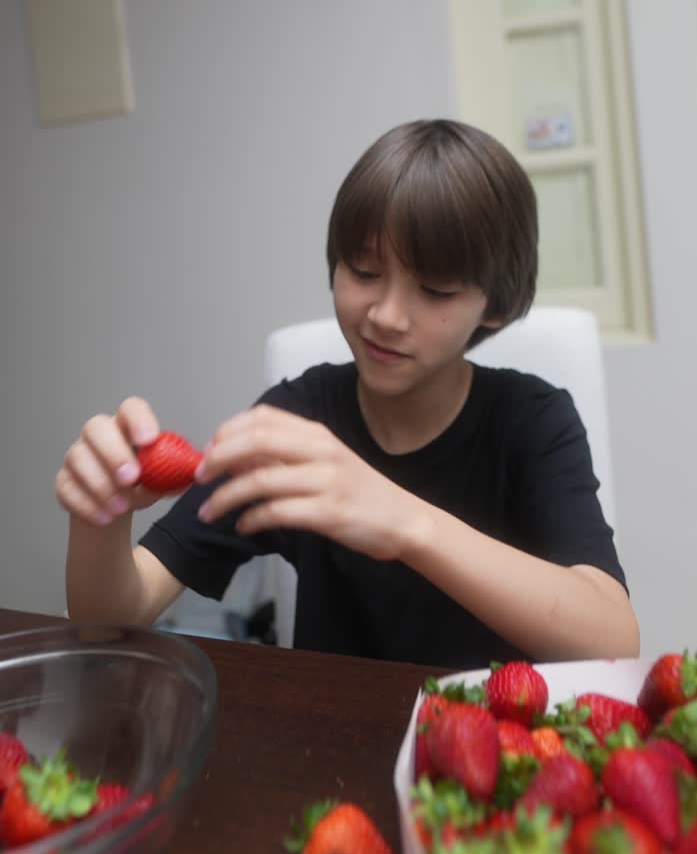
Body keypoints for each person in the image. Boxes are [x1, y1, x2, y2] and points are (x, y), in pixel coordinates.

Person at [56, 119, 639, 668]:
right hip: (335, 733)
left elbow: (614, 638)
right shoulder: (297, 421)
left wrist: (402, 520)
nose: (386, 316)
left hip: (493, 732)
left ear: (498, 305)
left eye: (435, 290)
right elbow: (112, 621)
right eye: (363, 272)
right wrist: (102, 515)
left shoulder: (532, 419)